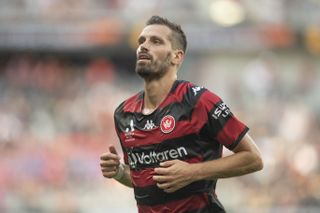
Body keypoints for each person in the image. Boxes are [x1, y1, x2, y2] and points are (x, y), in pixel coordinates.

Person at [100, 15, 263, 213]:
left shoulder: (199, 101)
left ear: (177, 56)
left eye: (156, 41)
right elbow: (143, 180)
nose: (144, 46)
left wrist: (191, 172)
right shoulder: (123, 113)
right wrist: (118, 172)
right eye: (141, 41)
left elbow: (253, 158)